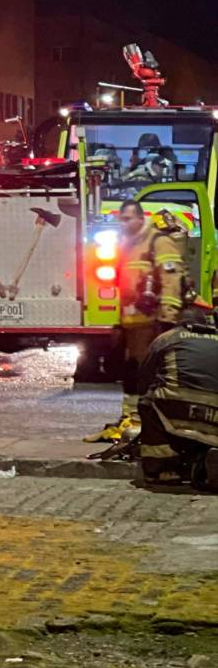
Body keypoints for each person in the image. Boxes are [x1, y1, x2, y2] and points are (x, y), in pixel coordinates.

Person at [88, 203, 188, 443]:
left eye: (128, 219)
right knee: (130, 374)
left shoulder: (158, 242)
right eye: (121, 219)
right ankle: (131, 419)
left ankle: (149, 425)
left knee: (148, 376)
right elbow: (125, 288)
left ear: (141, 218)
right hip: (132, 324)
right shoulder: (127, 245)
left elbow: (172, 280)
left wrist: (167, 320)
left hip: (151, 324)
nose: (124, 224)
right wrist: (119, 325)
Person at [135, 314, 218, 489]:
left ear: (180, 324)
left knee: (147, 404)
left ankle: (162, 469)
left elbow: (144, 378)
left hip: (177, 408)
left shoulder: (167, 338)